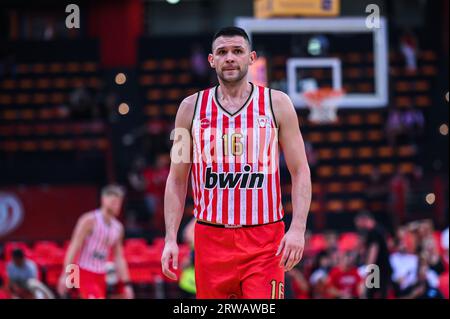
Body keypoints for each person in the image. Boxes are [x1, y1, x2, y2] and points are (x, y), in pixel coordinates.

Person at [161, 26, 312, 299]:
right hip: (210, 239)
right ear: (211, 60)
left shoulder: (277, 104)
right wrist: (170, 238)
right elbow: (177, 178)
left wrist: (298, 228)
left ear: (251, 57)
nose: (230, 57)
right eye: (222, 52)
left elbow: (300, 170)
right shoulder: (189, 109)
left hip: (265, 239)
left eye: (237, 51)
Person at [57, 185, 134, 299]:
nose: (117, 205)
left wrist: (127, 284)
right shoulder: (89, 220)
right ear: (103, 199)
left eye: (119, 202)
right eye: (114, 202)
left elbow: (119, 258)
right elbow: (74, 248)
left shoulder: (118, 228)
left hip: (102, 275)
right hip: (83, 272)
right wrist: (65, 275)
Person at [354, 211, 392, 299]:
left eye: (359, 223)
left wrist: (368, 270)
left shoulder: (373, 232)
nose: (358, 227)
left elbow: (373, 252)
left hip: (377, 271)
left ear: (363, 220)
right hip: (384, 269)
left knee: (370, 294)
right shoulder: (381, 229)